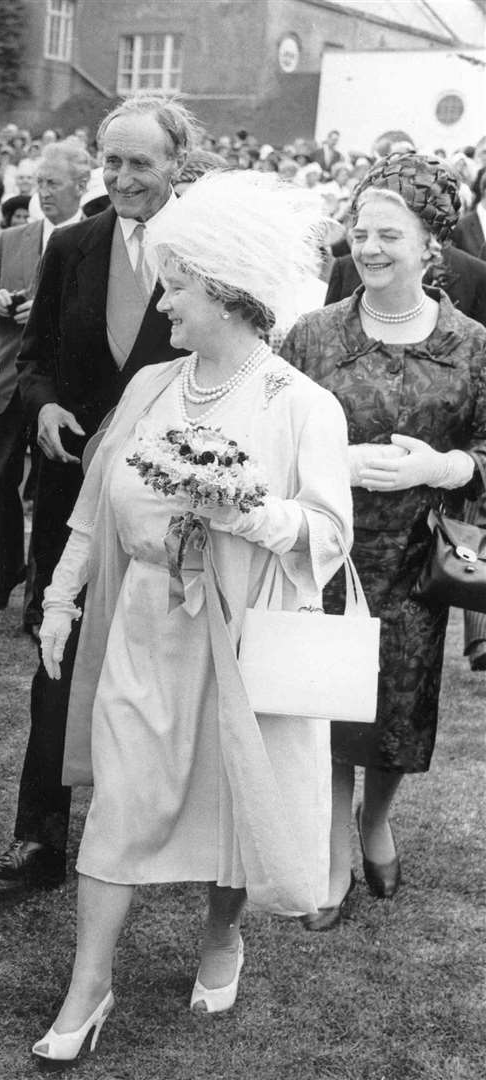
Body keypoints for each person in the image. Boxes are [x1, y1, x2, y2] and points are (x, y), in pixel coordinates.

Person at [31, 170, 352, 1062]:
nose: (162, 299)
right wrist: (61, 597)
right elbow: (95, 508)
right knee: (121, 800)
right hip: (146, 629)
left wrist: (245, 508)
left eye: (177, 284)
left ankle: (222, 936)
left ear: (225, 288)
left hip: (246, 635)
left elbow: (328, 534)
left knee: (230, 793)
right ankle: (87, 989)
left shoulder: (303, 405)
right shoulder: (152, 389)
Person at [0, 95, 192, 890]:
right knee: (57, 652)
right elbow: (31, 361)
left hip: (171, 499)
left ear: (176, 163)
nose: (124, 177)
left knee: (161, 662)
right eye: (114, 160)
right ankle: (39, 838)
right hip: (74, 496)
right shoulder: (71, 246)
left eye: (141, 162)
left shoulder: (205, 249)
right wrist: (45, 408)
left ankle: (155, 836)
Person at [281, 153, 486, 927]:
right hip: (328, 556)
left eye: (387, 235)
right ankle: (334, 852)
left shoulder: (472, 345)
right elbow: (272, 435)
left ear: (431, 243)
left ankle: (377, 819)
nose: (367, 248)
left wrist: (445, 463)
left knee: (398, 715)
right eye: (360, 232)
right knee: (327, 706)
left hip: (415, 562)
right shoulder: (313, 336)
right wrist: (333, 461)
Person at [0, 140, 91, 616]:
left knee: (48, 490)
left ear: (82, 187)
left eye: (53, 184)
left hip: (59, 387)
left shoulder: (95, 240)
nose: (43, 193)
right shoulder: (11, 238)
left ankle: (40, 594)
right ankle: (3, 578)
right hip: (6, 380)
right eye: (38, 183)